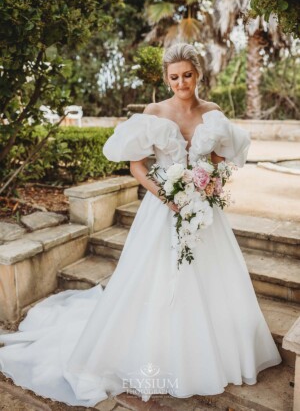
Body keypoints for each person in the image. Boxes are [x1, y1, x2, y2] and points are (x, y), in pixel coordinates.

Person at [0, 43, 282, 408]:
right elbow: (137, 167)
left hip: (202, 212)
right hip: (162, 209)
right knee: (154, 279)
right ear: (167, 78)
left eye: (187, 75)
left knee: (212, 280)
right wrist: (167, 198)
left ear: (198, 74)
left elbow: (218, 162)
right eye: (174, 76)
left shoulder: (213, 114)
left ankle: (208, 353)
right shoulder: (154, 112)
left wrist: (211, 186)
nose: (181, 82)